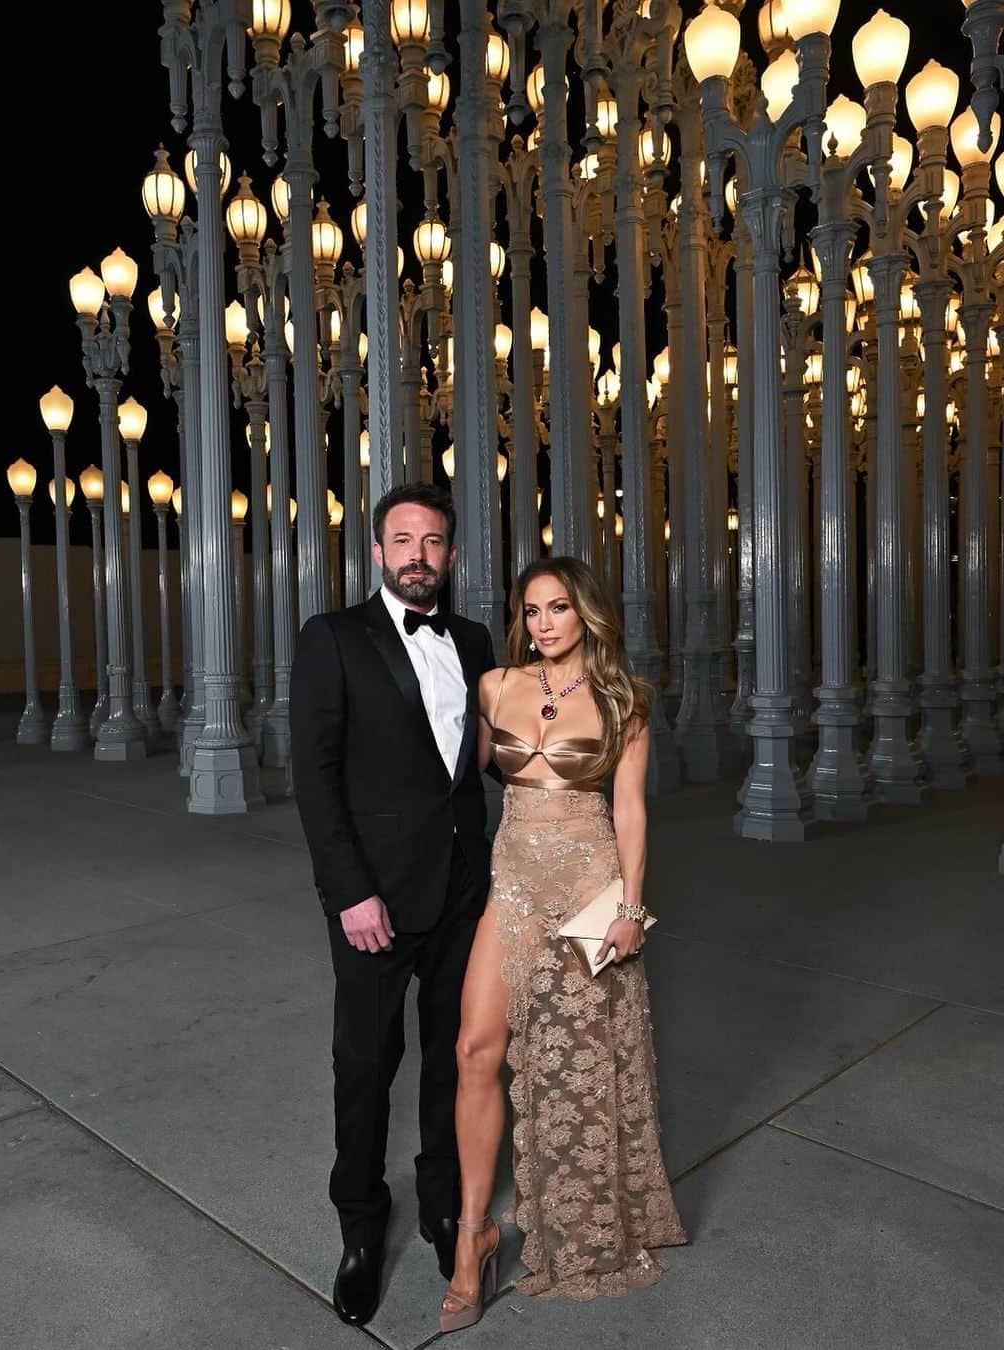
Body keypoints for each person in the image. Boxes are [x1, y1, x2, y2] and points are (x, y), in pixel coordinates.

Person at [438, 557, 686, 1331]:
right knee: (476, 1048)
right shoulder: (495, 687)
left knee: (581, 1064)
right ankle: (474, 1234)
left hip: (588, 892)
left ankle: (584, 1223)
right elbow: (453, 769)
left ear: (587, 614)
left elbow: (632, 813)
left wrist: (631, 911)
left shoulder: (624, 699)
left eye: (558, 608)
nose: (544, 623)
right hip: (510, 885)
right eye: (532, 610)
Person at [290, 483, 497, 1327]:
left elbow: (492, 758)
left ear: (450, 554)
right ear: (377, 551)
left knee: (455, 1059)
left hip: (464, 895)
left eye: (434, 540)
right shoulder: (333, 638)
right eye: (403, 539)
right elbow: (316, 776)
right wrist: (350, 894)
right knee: (366, 1068)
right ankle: (361, 1229)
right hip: (374, 900)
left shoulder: (478, 641)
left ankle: (448, 1212)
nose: (419, 553)